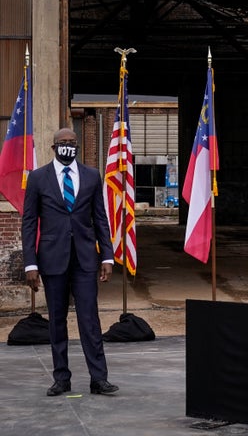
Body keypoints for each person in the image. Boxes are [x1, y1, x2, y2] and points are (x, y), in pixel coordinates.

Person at [22, 128, 119, 396]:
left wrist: (107, 256)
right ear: (54, 147)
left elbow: (100, 218)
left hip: (85, 260)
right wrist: (30, 263)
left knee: (90, 320)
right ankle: (61, 378)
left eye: (72, 142)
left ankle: (99, 379)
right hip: (52, 260)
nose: (68, 146)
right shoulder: (38, 178)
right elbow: (29, 222)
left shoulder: (91, 176)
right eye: (63, 143)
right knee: (57, 321)